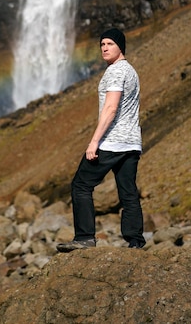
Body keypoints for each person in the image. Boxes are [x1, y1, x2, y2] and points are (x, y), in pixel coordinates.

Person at [57, 28, 146, 252]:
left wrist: (94, 141)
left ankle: (85, 237)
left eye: (110, 44)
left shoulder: (116, 71)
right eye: (102, 44)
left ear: (120, 47)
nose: (105, 48)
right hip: (132, 143)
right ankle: (135, 242)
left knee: (81, 185)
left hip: (112, 142)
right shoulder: (131, 71)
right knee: (128, 191)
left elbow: (111, 107)